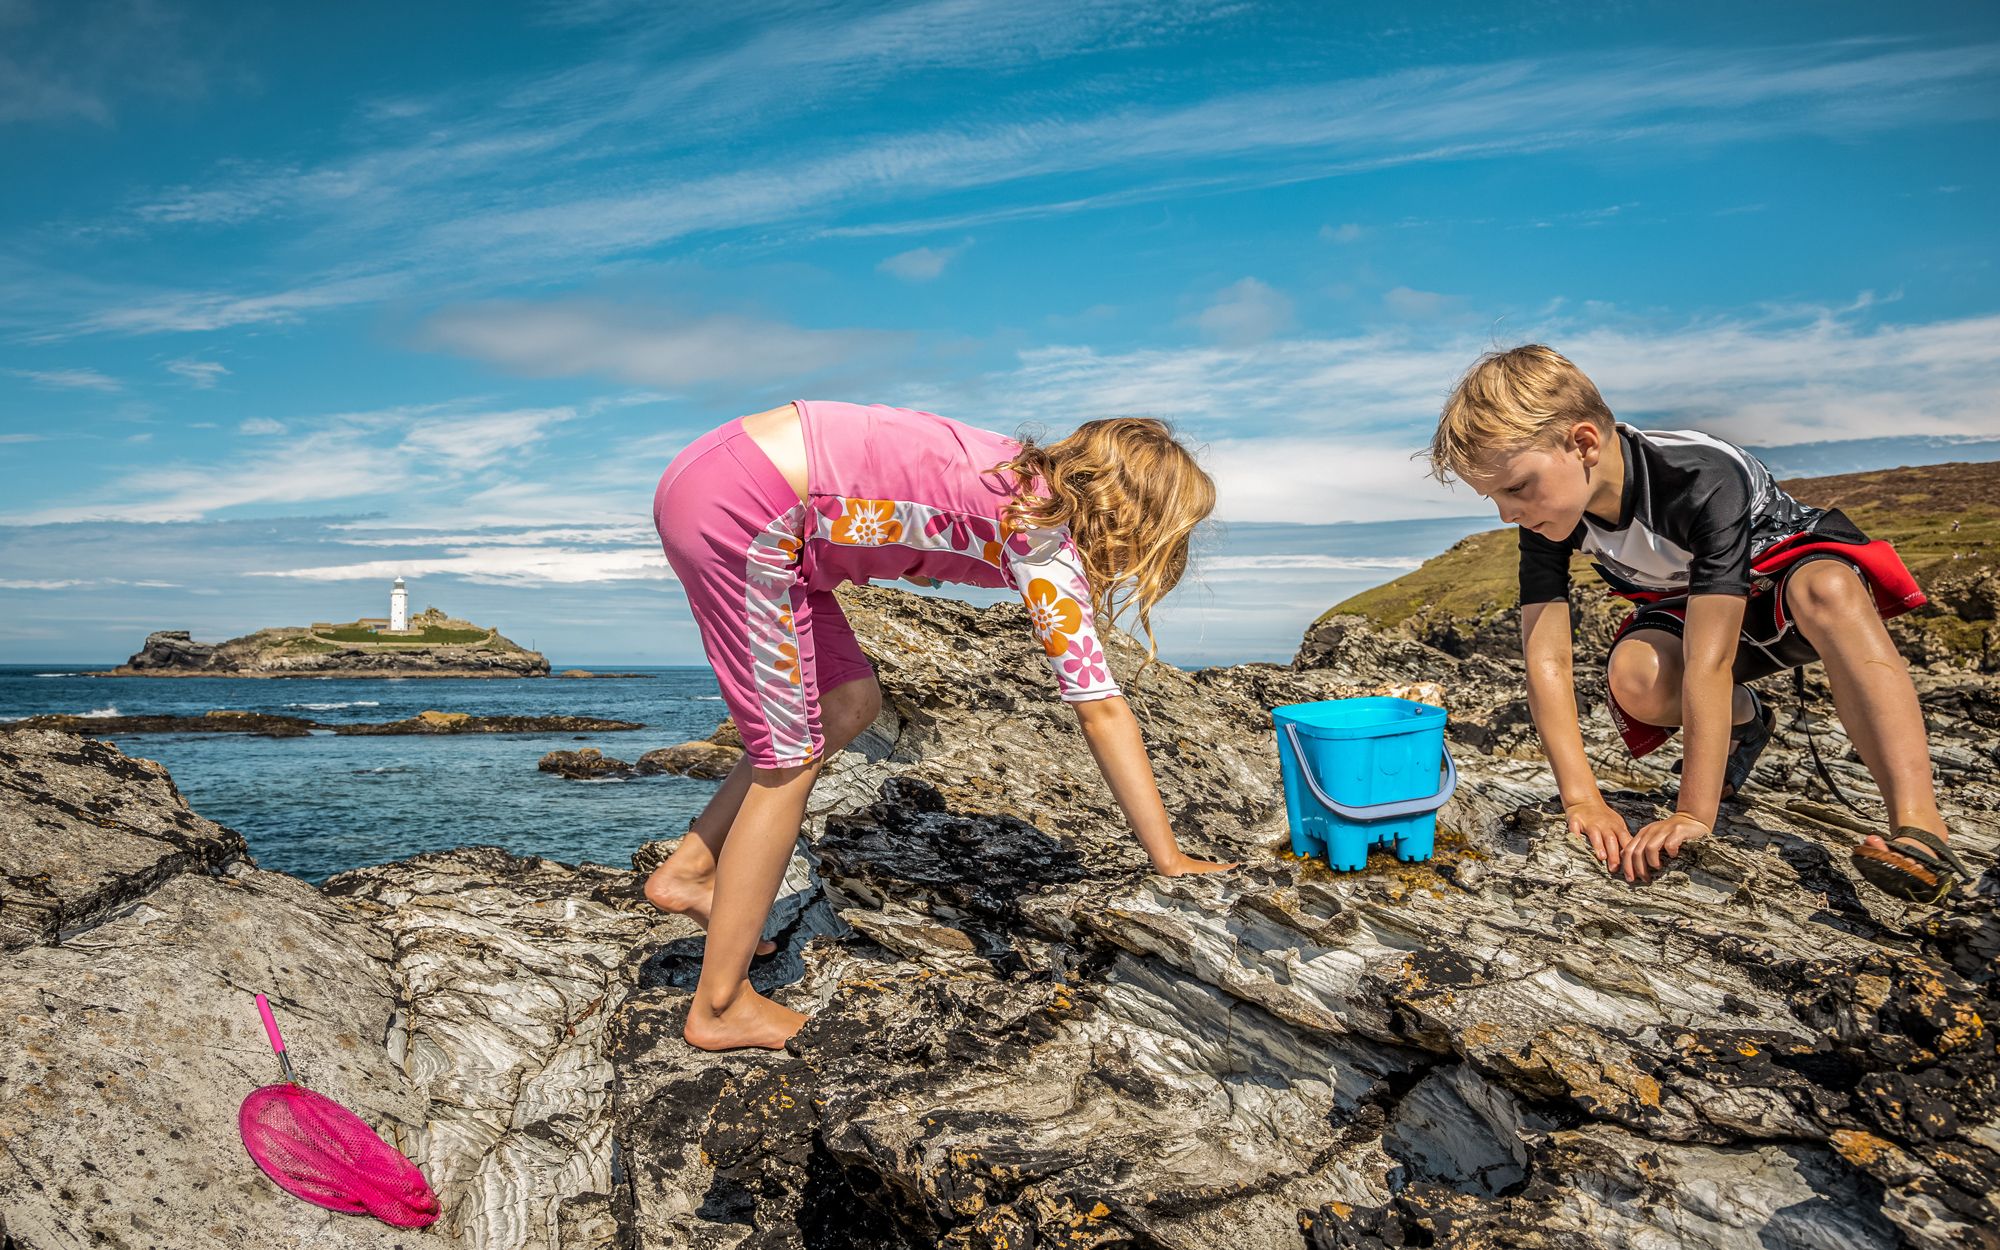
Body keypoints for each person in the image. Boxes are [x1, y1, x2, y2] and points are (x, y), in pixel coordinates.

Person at [646, 400, 1236, 1051]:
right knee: (790, 758)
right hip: (748, 507)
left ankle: (691, 872)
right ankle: (721, 1005)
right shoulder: (1042, 536)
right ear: (1134, 521)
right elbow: (1099, 709)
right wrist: (1168, 858)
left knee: (849, 704)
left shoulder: (1014, 475)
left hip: (734, 479)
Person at [1426, 345, 1971, 903]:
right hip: (1690, 602)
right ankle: (1746, 722)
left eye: (1515, 487)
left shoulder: (1698, 475)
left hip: (1780, 588)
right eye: (1492, 498)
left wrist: (1692, 814)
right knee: (1636, 676)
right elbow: (1547, 659)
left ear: (1583, 443)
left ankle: (1921, 826)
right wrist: (1581, 798)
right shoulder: (1548, 519)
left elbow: (1709, 662)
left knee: (1826, 588)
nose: (1506, 513)